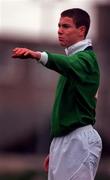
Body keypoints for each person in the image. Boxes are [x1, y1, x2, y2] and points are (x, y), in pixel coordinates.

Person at [12, 8, 102, 180]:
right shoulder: (74, 60)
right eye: (59, 26)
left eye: (66, 26)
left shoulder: (86, 60)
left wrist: (38, 55)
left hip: (78, 140)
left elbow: (66, 64)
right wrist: (57, 148)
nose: (60, 30)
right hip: (66, 141)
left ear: (81, 30)